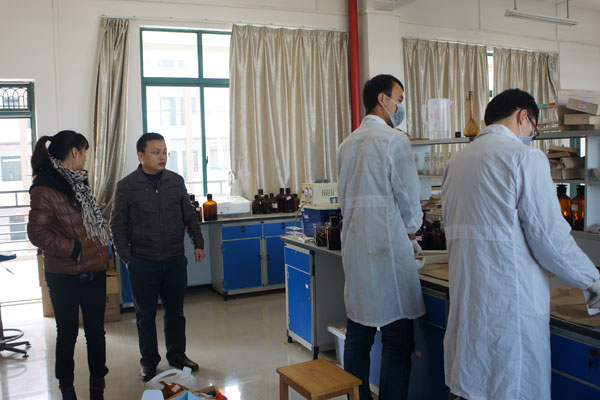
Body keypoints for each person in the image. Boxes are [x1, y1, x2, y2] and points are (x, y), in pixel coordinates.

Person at [441, 88, 600, 400]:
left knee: (472, 387)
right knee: (511, 387)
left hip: (468, 309)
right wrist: (592, 280)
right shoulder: (525, 158)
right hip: (510, 313)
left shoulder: (456, 163)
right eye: (533, 129)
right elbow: (551, 241)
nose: (531, 136)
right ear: (523, 116)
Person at [337, 74, 425, 400]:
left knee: (358, 334)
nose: (400, 106)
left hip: (356, 249)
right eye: (398, 99)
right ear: (382, 99)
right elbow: (409, 199)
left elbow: (344, 198)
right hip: (387, 250)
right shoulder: (394, 141)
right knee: (397, 338)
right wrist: (412, 231)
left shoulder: (346, 144)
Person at [109, 132, 205, 382]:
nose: (162, 157)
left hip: (174, 259)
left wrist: (198, 242)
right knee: (145, 316)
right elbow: (116, 226)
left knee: (176, 313)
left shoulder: (175, 181)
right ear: (140, 156)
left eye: (164, 152)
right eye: (155, 152)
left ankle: (177, 355)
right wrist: (127, 258)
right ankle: (149, 362)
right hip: (143, 262)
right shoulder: (127, 186)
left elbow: (189, 215)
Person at [27, 130, 110, 400]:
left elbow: (86, 224)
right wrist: (73, 249)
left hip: (94, 271)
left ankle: (98, 387)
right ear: (74, 151)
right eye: (84, 152)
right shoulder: (44, 187)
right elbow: (36, 233)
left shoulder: (79, 183)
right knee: (67, 335)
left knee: (96, 334)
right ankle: (66, 388)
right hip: (64, 275)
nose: (85, 158)